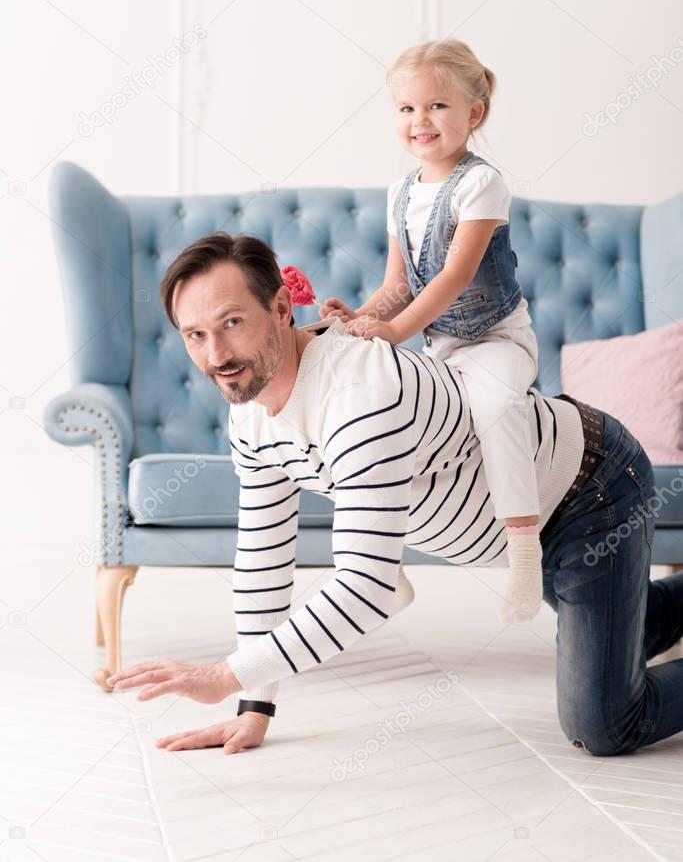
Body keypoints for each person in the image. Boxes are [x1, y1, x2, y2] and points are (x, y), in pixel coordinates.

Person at [107, 232, 683, 760]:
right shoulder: (251, 420)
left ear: (281, 309)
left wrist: (224, 676)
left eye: (231, 322)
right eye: (195, 335)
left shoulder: (359, 393)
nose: (216, 356)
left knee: (605, 724)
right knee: (642, 624)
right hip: (527, 529)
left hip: (591, 490)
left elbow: (367, 586)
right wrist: (254, 705)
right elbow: (262, 560)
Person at [321, 39, 542, 624]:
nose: (420, 121)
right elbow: (399, 283)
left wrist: (392, 332)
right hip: (440, 349)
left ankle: (524, 555)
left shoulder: (481, 184)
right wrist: (362, 319)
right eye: (406, 109)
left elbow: (452, 276)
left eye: (437, 107)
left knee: (497, 405)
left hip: (496, 341)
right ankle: (380, 563)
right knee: (368, 412)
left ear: (474, 113)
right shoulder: (399, 194)